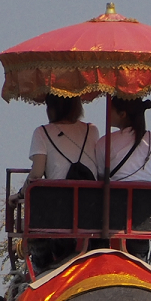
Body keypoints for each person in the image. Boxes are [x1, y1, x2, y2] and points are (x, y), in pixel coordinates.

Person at [22, 94, 99, 274]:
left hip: (58, 209)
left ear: (51, 108)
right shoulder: (92, 130)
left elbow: (36, 174)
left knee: (35, 214)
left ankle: (41, 265)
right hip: (91, 207)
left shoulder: (42, 132)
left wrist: (19, 193)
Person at [97, 96, 151, 261]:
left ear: (122, 114)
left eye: (110, 109)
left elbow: (99, 178)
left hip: (115, 216)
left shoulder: (105, 143)